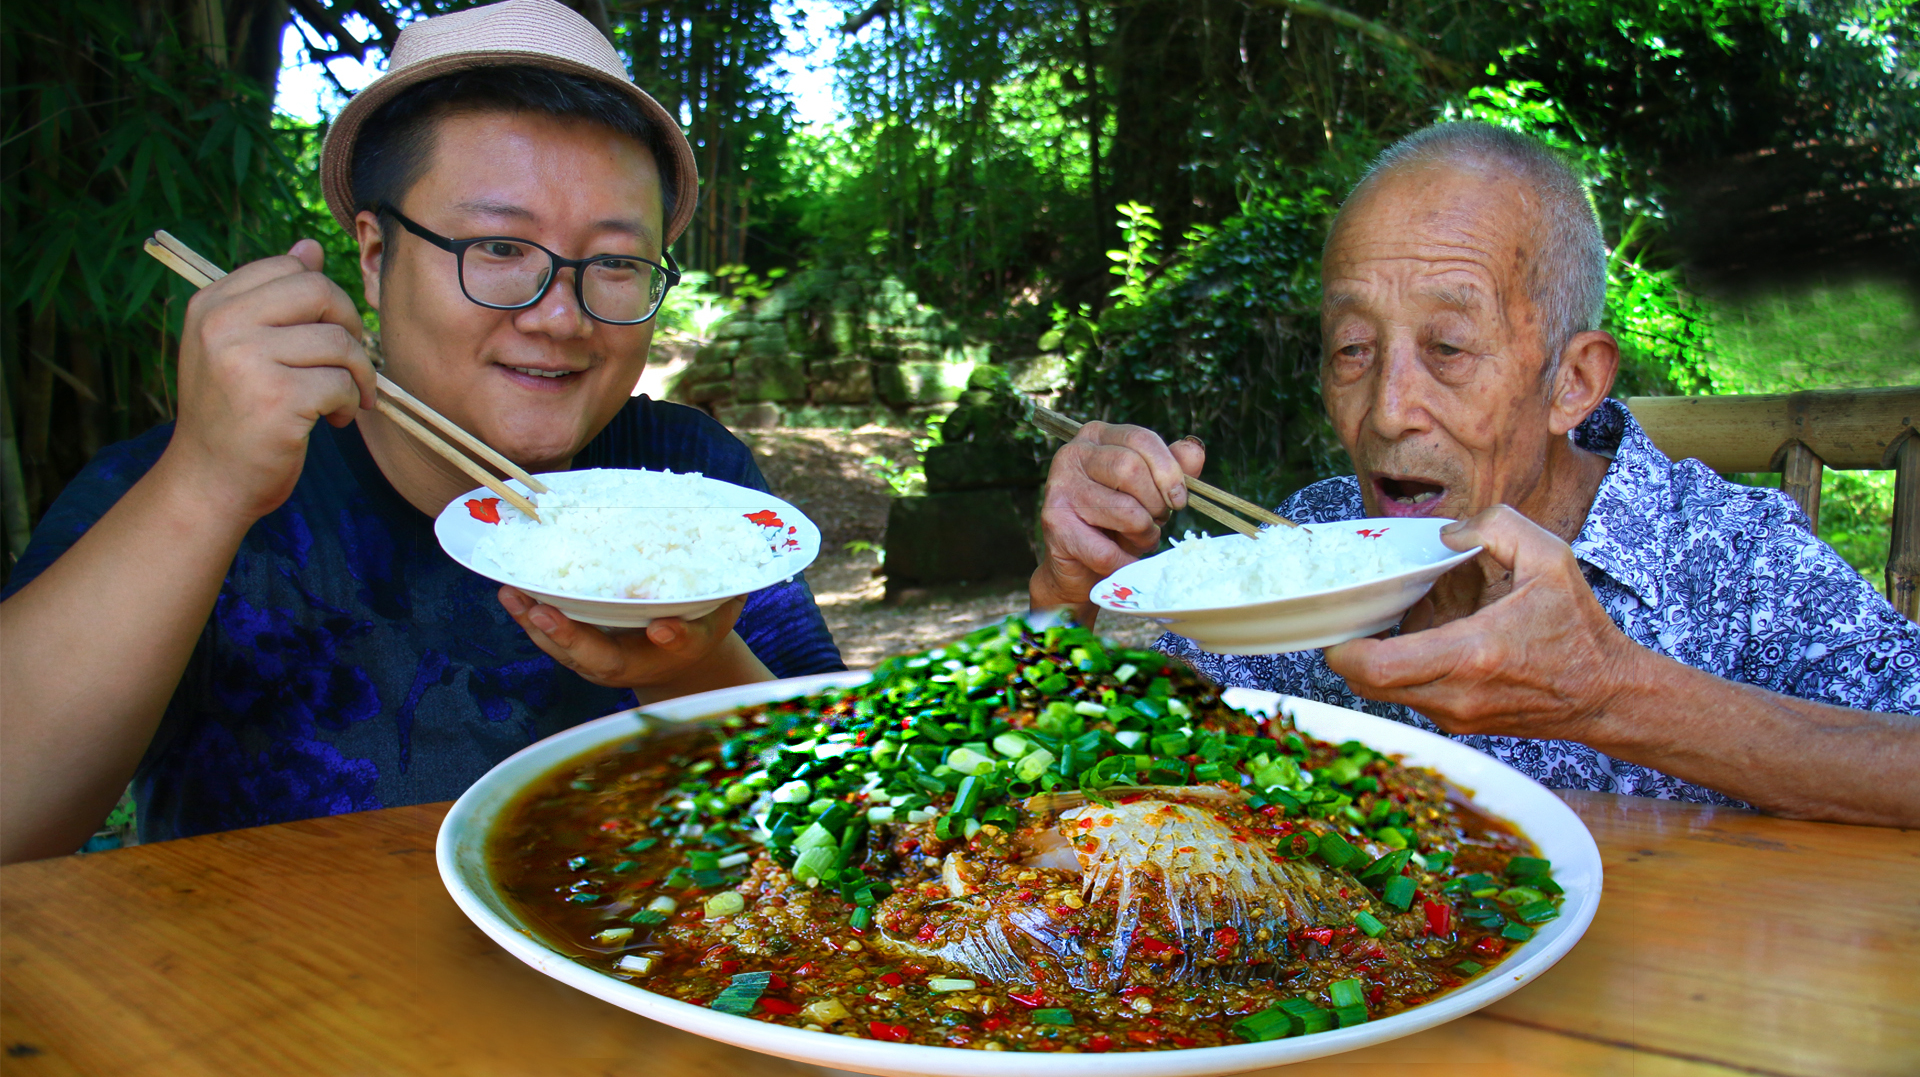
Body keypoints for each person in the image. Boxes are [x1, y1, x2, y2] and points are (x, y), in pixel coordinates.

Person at [0, 0, 842, 863]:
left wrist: (691, 667)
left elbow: (856, 810)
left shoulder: (695, 484)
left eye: (617, 263)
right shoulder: (174, 486)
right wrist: (205, 485)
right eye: (500, 249)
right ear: (374, 254)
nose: (560, 317)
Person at [1030, 122, 1920, 827]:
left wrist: (1611, 692)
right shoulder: (1298, 555)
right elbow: (1065, 747)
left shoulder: (1722, 555)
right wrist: (1069, 594)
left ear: (1572, 381)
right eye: (1353, 348)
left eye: (1449, 347)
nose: (1387, 410)